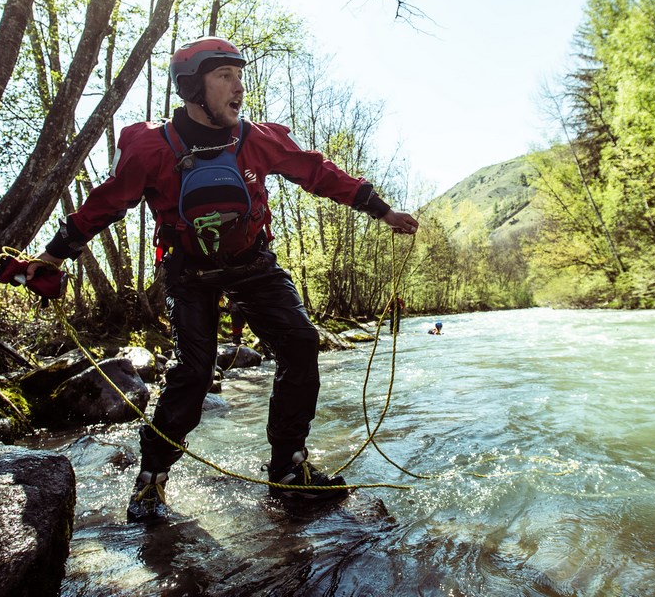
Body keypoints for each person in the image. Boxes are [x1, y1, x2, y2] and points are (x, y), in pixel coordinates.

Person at [24, 36, 418, 522]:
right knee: (193, 372)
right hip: (189, 273)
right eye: (224, 76)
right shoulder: (152, 148)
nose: (239, 86)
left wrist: (382, 211)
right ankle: (151, 479)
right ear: (193, 86)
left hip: (254, 265)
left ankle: (288, 468)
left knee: (299, 343)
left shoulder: (258, 138)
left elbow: (318, 173)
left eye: (239, 74)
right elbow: (106, 204)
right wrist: (53, 256)